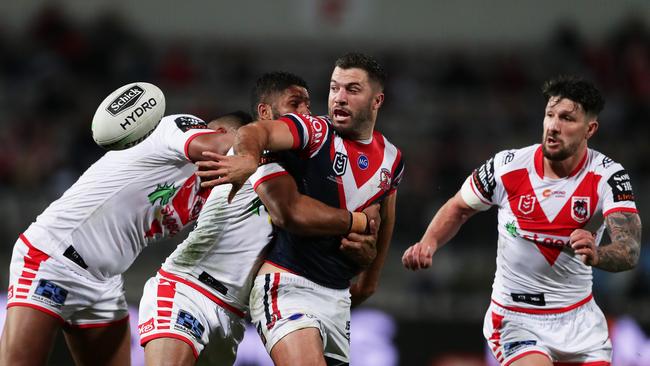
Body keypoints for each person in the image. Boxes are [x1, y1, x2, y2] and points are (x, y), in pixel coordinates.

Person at [138, 71, 379, 366]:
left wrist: (366, 253)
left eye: (308, 104)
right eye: (295, 104)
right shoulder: (260, 152)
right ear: (265, 113)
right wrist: (359, 223)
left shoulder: (309, 167)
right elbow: (290, 213)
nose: (306, 112)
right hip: (187, 288)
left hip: (234, 315)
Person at [402, 75, 641, 366]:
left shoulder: (609, 176)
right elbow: (458, 207)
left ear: (590, 129)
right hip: (517, 318)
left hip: (579, 320)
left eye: (567, 118)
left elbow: (629, 249)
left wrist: (598, 254)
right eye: (550, 115)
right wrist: (429, 243)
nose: (553, 126)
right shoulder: (507, 166)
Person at [0, 104, 252, 366]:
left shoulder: (210, 190)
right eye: (247, 142)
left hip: (104, 282)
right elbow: (219, 147)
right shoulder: (179, 126)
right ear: (222, 131)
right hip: (53, 256)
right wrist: (264, 143)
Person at [197, 53, 405, 366]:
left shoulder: (392, 158)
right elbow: (256, 132)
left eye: (352, 89)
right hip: (288, 285)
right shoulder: (315, 131)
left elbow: (387, 213)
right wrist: (249, 159)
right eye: (335, 88)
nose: (339, 98)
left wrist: (370, 278)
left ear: (377, 101)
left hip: (335, 296)